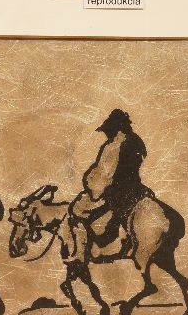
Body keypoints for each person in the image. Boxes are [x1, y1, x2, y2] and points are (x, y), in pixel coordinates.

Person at [64, 109, 153, 263]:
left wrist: (94, 184)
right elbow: (102, 168)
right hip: (121, 186)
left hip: (118, 189)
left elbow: (110, 172)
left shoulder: (120, 144)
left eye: (108, 130)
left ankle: (88, 250)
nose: (106, 134)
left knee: (81, 210)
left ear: (117, 128)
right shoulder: (123, 142)